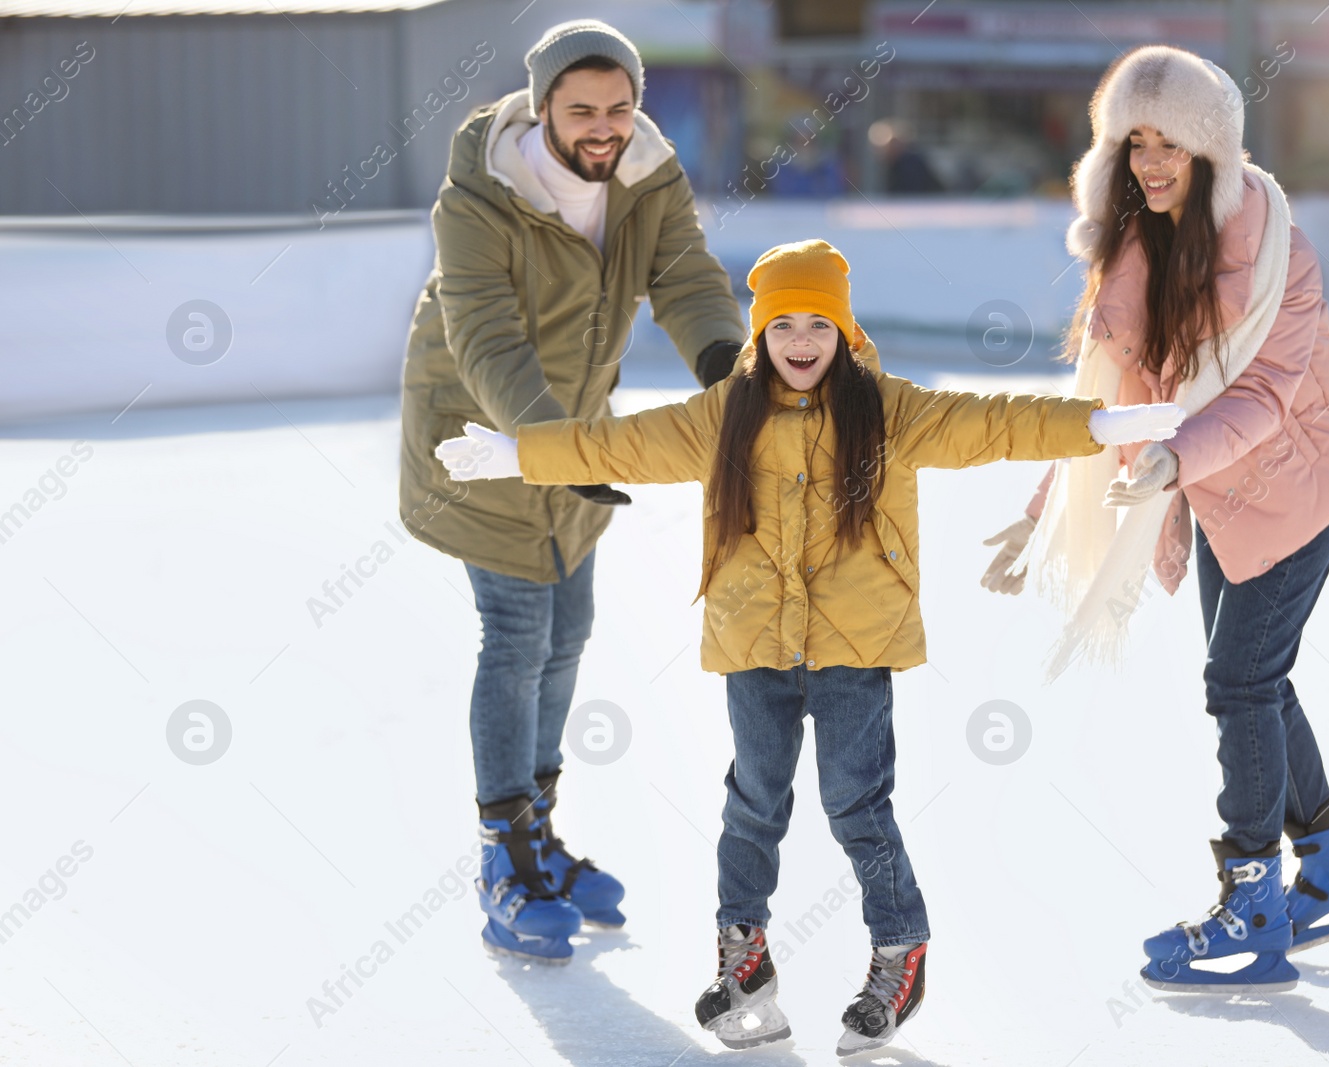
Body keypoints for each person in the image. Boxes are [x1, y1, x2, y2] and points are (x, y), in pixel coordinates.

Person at [436, 239, 1184, 1049]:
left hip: (854, 647)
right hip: (754, 643)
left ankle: (901, 948)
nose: (800, 340)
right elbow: (623, 444)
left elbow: (992, 423)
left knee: (856, 804)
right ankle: (742, 958)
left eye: (817, 323)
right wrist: (522, 453)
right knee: (752, 803)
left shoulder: (888, 410)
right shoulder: (724, 414)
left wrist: (1098, 425)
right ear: (758, 334)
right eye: (782, 323)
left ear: (843, 329)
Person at [982, 46, 1329, 993]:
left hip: (1303, 480)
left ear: (1213, 148)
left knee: (1239, 678)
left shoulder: (1278, 245)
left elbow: (1270, 395)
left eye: (1172, 142)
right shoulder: (1135, 247)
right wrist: (1044, 511)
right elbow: (1106, 399)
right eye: (1135, 142)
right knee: (1259, 675)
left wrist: (1173, 458)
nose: (1153, 161)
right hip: (1214, 487)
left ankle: (1253, 903)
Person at [397, 18, 748, 964]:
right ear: (543, 104)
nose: (604, 126)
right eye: (582, 108)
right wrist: (546, 440)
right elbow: (484, 333)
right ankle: (502, 855)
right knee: (516, 632)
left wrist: (725, 361)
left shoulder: (646, 176)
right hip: (485, 431)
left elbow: (683, 275)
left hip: (574, 433)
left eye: (620, 107)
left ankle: (539, 832)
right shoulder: (481, 196)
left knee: (570, 627)